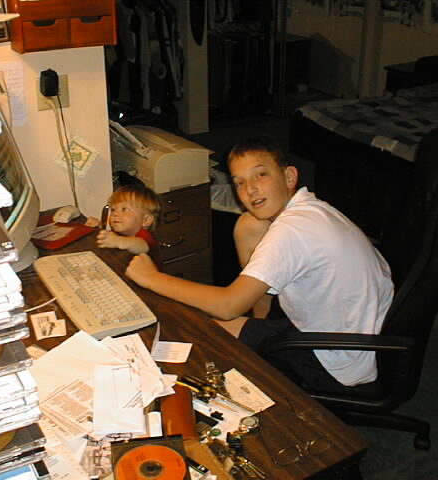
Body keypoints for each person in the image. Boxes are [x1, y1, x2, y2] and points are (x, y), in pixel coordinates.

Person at [125, 135, 394, 393]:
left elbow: (228, 306)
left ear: (289, 176)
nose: (250, 189)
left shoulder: (292, 232)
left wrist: (151, 277)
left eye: (261, 175)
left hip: (338, 361)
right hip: (360, 335)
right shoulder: (312, 209)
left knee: (201, 331)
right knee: (249, 225)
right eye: (239, 182)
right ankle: (261, 330)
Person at [97, 183, 162, 269]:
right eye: (113, 209)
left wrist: (118, 241)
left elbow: (142, 246)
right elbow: (109, 238)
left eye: (124, 209)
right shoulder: (120, 233)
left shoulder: (145, 236)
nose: (115, 214)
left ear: (146, 220)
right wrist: (98, 226)